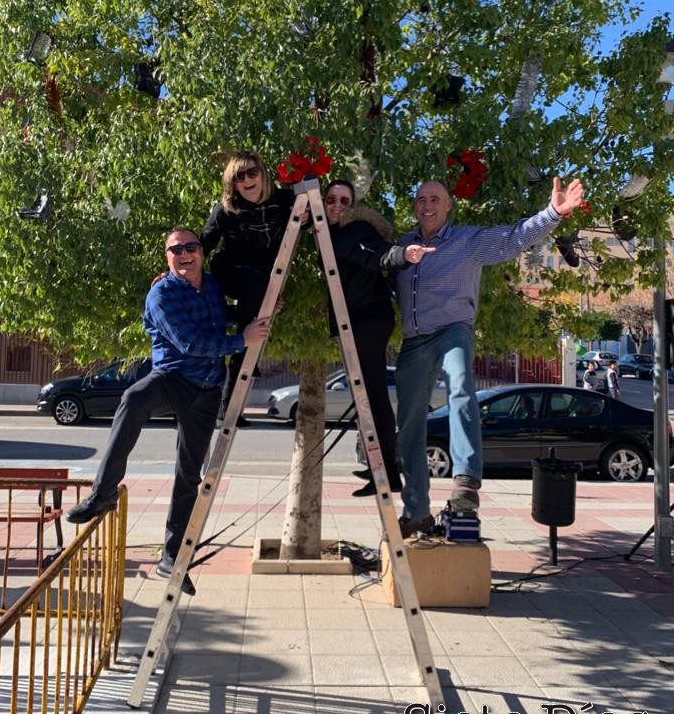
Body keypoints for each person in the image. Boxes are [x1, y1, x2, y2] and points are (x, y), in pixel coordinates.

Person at [66, 227, 270, 594]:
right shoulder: (161, 293)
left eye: (191, 247)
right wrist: (243, 339)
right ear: (167, 257)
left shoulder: (210, 285)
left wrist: (253, 315)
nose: (184, 254)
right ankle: (103, 492)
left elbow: (221, 314)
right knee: (134, 398)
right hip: (173, 379)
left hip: (208, 392)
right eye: (175, 249)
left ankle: (172, 556)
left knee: (189, 474)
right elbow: (190, 342)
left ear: (201, 253)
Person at [394, 176, 585, 537]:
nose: (427, 205)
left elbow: (513, 239)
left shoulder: (467, 240)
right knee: (410, 424)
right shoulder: (405, 245)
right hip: (414, 341)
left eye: (435, 199)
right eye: (421, 200)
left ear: (449, 205)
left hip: (452, 330)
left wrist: (553, 213)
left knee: (461, 388)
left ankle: (466, 480)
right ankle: (416, 509)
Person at [322, 180, 435, 498]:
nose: (337, 205)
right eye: (331, 198)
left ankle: (386, 471)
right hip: (361, 318)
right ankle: (382, 467)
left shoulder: (355, 229)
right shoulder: (330, 231)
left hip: (367, 318)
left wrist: (404, 254)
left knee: (371, 397)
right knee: (368, 397)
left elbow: (378, 255)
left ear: (353, 205)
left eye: (344, 200)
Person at [202, 151, 296, 426]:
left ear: (262, 173)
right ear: (233, 184)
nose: (246, 180)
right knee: (252, 304)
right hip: (230, 271)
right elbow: (205, 242)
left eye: (251, 172)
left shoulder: (283, 201)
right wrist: (173, 269)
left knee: (252, 321)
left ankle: (229, 407)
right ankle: (243, 346)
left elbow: (314, 223)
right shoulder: (226, 209)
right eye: (239, 176)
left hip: (262, 280)